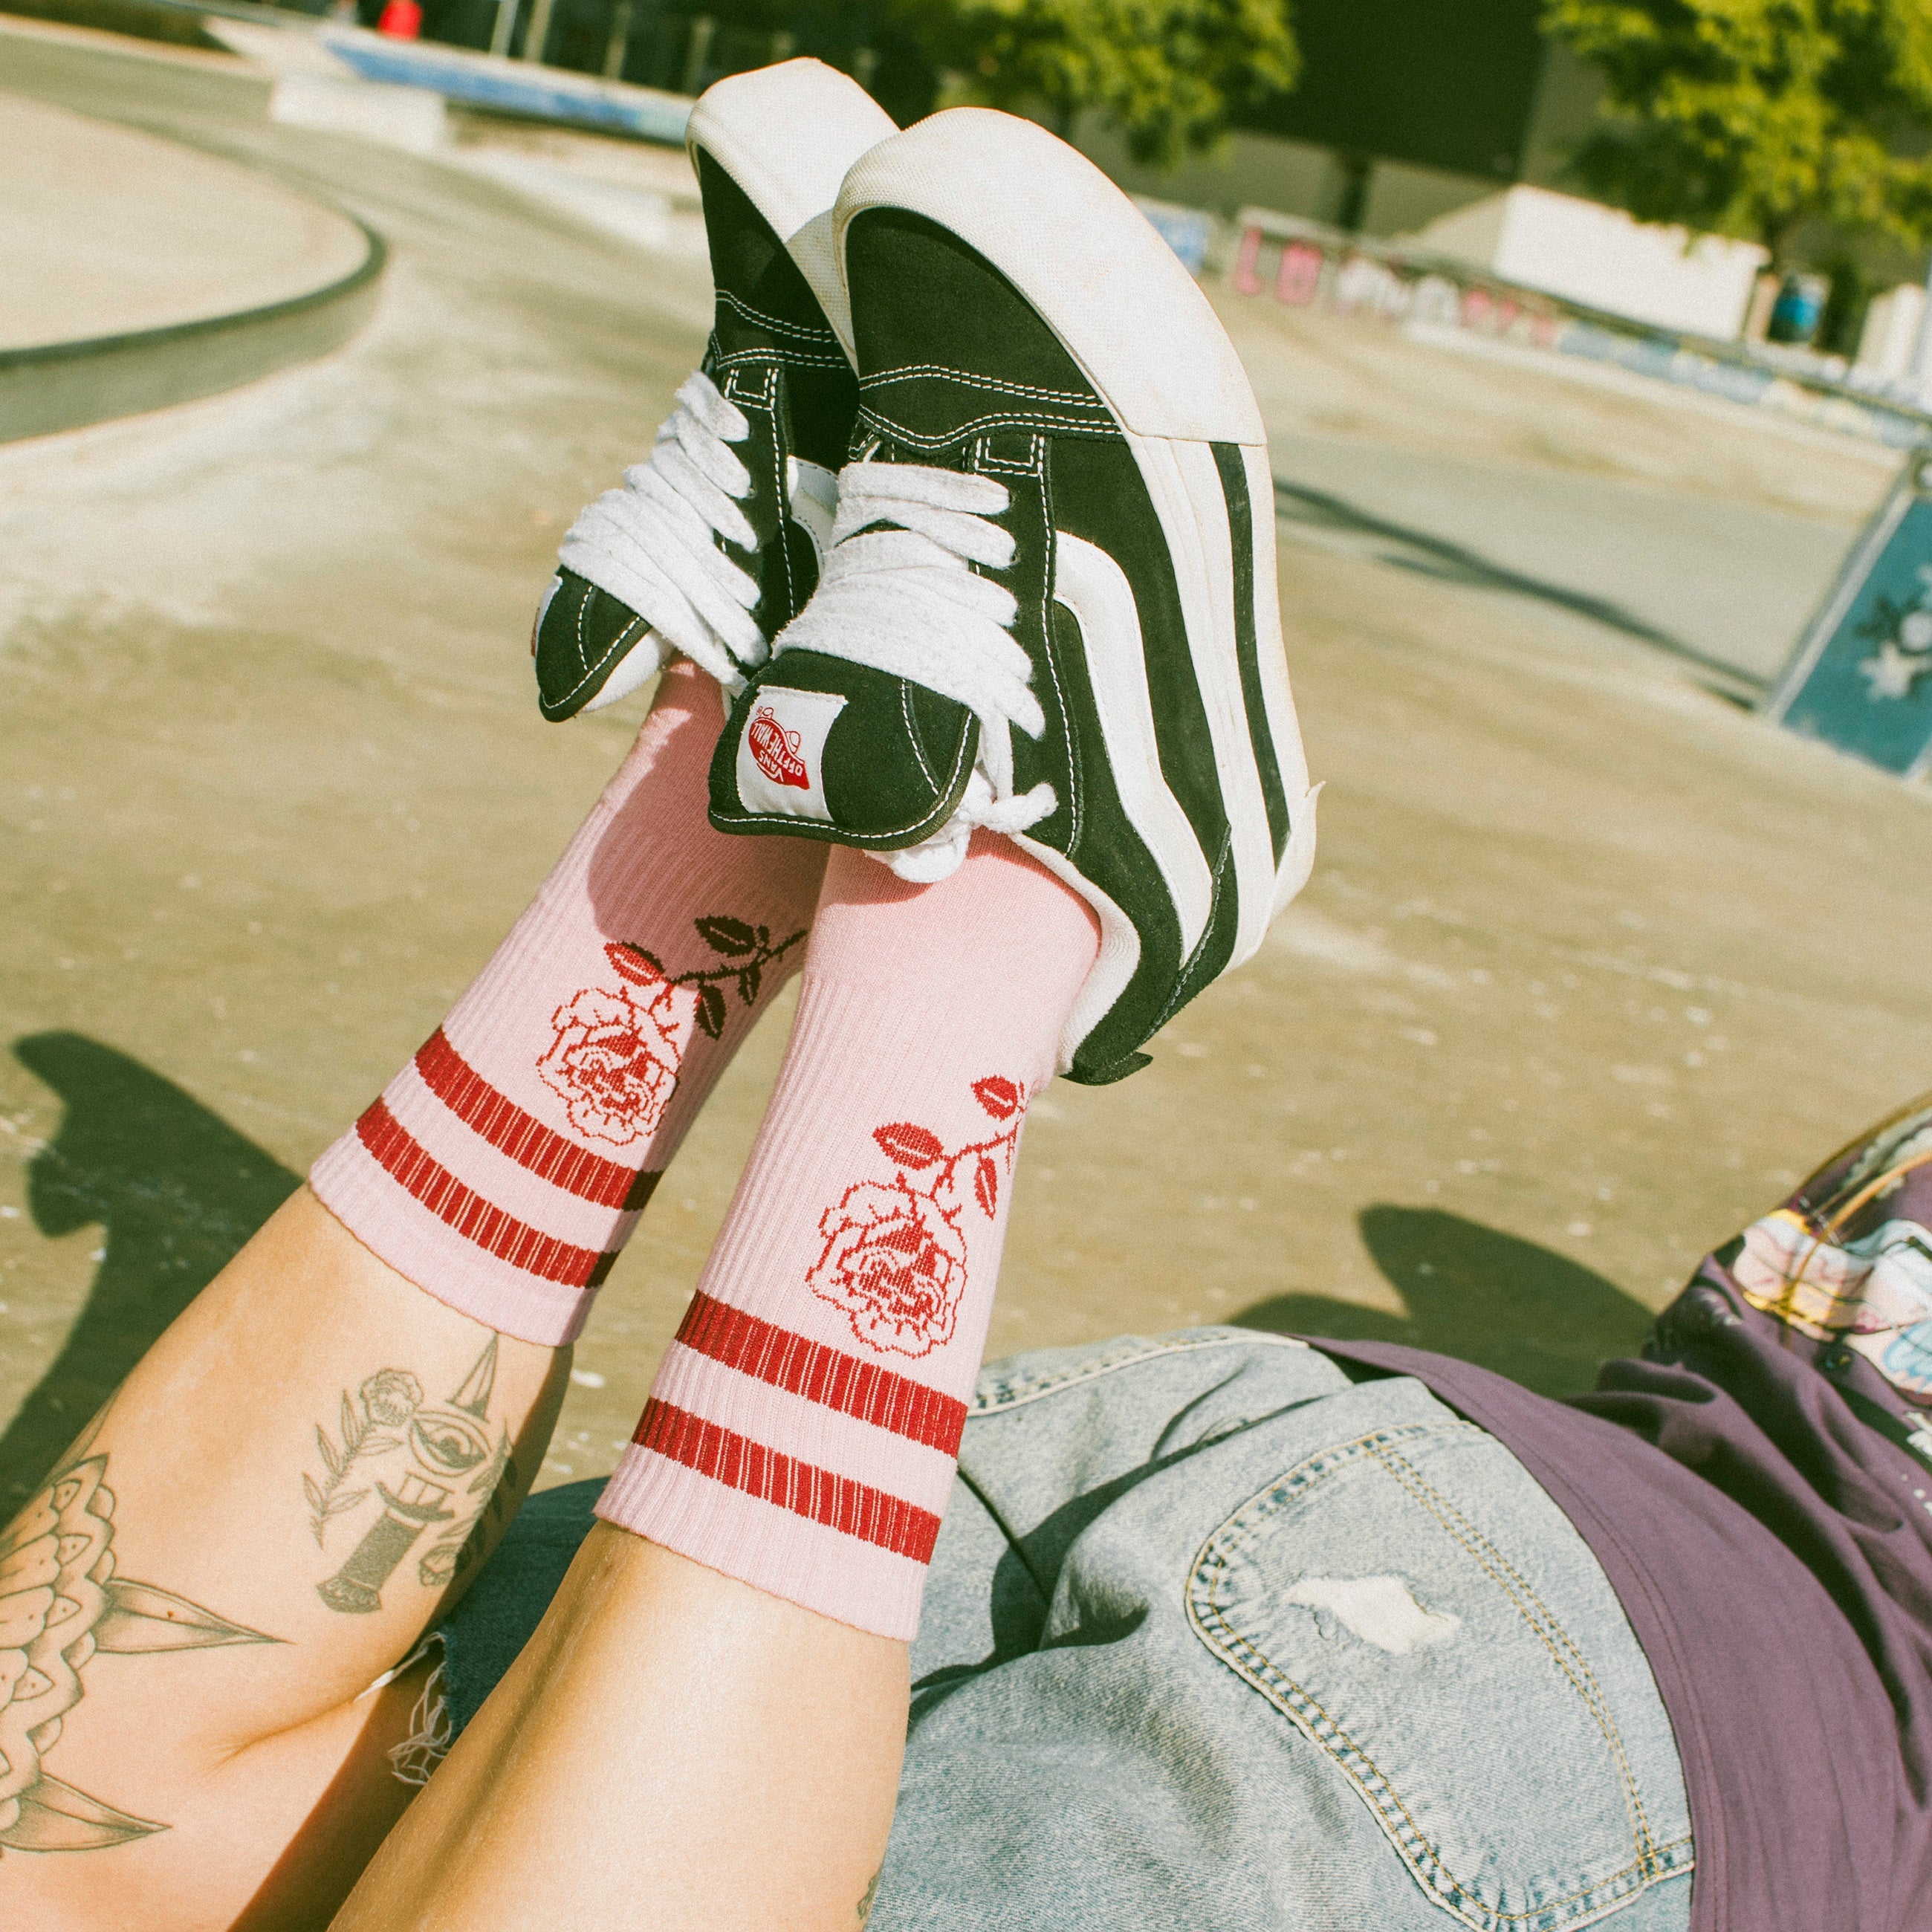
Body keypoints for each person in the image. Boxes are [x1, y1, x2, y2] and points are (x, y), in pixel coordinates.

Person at [4, 65, 1928, 1932]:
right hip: (1549, 1703)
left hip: (1420, 1585)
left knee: (71, 1848)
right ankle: (953, 858)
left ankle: (801, 800)